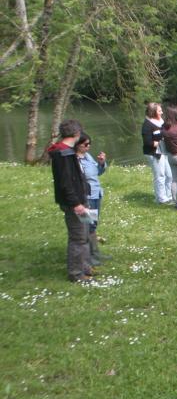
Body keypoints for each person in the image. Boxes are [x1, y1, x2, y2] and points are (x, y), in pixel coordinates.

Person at [48, 120, 93, 282]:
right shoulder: (64, 154)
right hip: (75, 203)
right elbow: (66, 183)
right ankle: (76, 274)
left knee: (86, 234)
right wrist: (76, 204)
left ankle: (86, 267)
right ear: (76, 134)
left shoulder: (68, 151)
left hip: (82, 199)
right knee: (78, 237)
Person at [75, 133, 108, 268]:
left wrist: (101, 163)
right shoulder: (75, 160)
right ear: (78, 145)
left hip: (96, 194)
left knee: (93, 225)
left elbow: (97, 172)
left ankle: (95, 253)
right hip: (87, 197)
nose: (89, 147)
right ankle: (88, 256)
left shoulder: (87, 156)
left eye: (90, 144)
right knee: (87, 226)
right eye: (86, 144)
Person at [141, 103, 174, 205]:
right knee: (160, 176)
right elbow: (148, 142)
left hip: (164, 152)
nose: (162, 112)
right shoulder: (147, 125)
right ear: (153, 112)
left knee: (169, 175)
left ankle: (169, 196)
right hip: (154, 153)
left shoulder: (161, 121)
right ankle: (161, 199)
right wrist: (162, 141)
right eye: (159, 111)